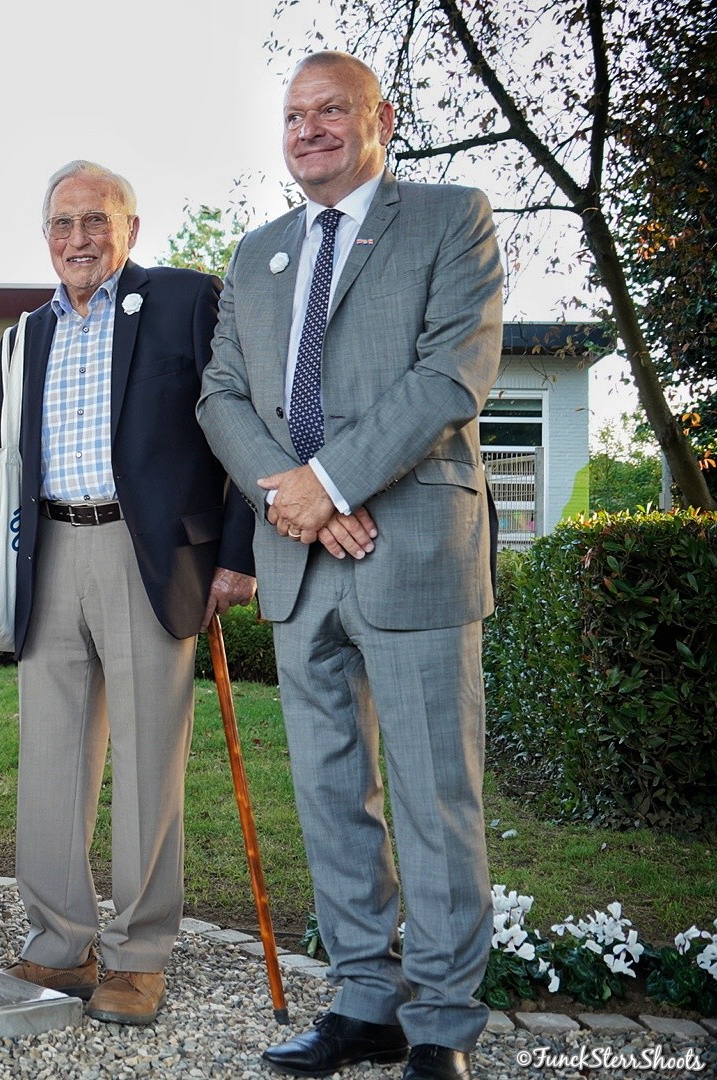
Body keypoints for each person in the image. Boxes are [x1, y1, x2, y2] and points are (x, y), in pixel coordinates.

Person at [197, 51, 503, 1080]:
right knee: (331, 793)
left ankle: (443, 1022)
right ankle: (366, 1002)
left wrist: (328, 483)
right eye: (294, 116)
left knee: (433, 794)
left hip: (412, 547)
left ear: (383, 118)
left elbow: (449, 375)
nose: (309, 130)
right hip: (298, 560)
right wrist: (296, 498)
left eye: (331, 111)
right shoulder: (258, 253)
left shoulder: (450, 218)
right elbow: (221, 396)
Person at [0, 161, 256, 1027]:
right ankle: (59, 943)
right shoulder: (22, 337)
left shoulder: (186, 301)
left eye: (96, 220)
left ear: (130, 228)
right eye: (62, 223)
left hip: (146, 554)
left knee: (150, 757)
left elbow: (242, 422)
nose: (78, 239)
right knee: (50, 758)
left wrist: (238, 554)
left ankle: (139, 955)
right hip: (46, 549)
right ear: (45, 236)